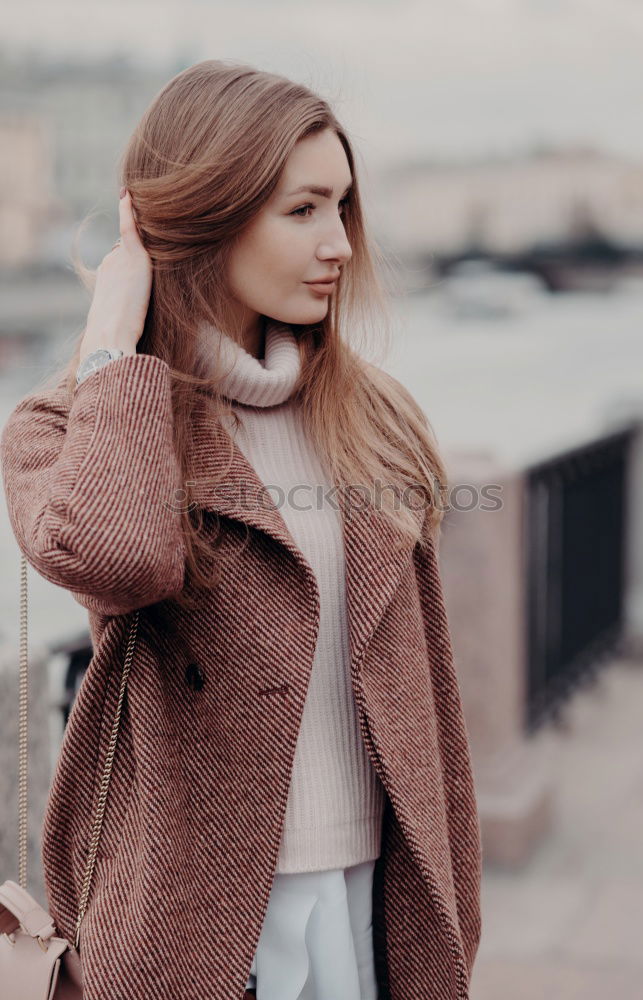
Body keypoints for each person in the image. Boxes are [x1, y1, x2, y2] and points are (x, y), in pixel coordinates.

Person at [0, 60, 482, 1000]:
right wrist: (114, 336)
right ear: (210, 210)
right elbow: (120, 555)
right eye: (302, 210)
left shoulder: (369, 417)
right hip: (196, 917)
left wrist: (454, 903)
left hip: (378, 899)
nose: (339, 242)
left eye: (343, 207)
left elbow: (430, 690)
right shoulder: (67, 425)